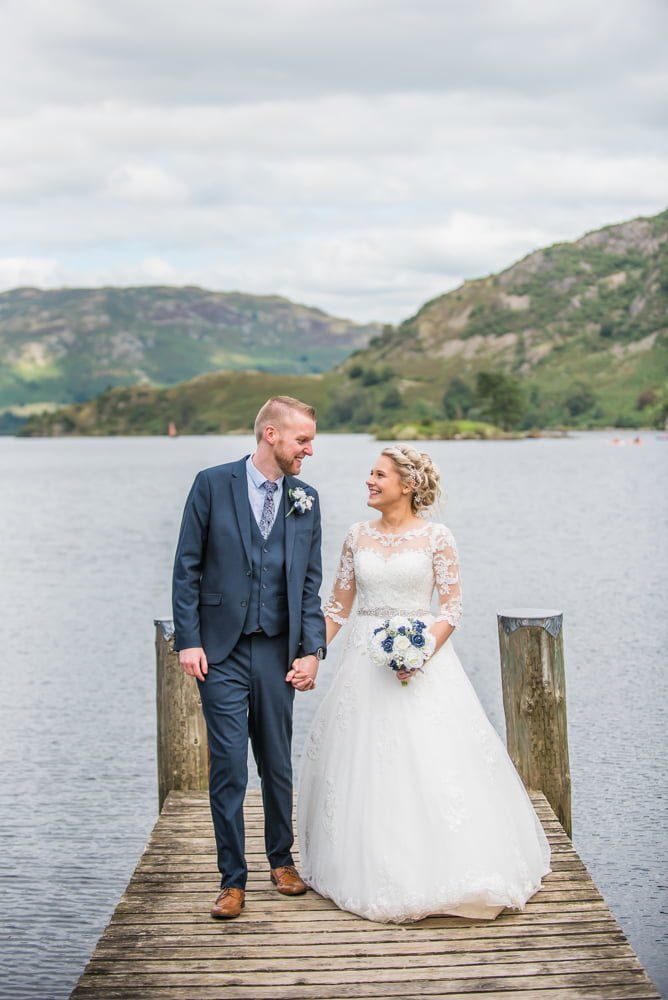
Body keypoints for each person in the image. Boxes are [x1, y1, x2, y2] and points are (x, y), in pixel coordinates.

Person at [297, 445, 551, 922]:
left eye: (379, 475)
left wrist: (418, 652)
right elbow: (337, 609)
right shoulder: (356, 536)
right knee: (363, 763)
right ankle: (367, 864)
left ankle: (451, 864)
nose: (369, 481)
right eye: (370, 473)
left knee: (433, 760)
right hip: (362, 666)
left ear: (408, 484)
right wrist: (312, 654)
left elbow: (451, 609)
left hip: (424, 661)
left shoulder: (437, 537)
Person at [172, 396, 326, 919]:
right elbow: (187, 568)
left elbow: (309, 585)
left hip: (277, 650)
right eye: (302, 440)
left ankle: (281, 860)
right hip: (220, 650)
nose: (309, 450)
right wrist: (188, 640)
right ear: (271, 435)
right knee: (229, 765)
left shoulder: (306, 498)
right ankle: (232, 880)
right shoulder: (212, 484)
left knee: (277, 762)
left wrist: (312, 651)